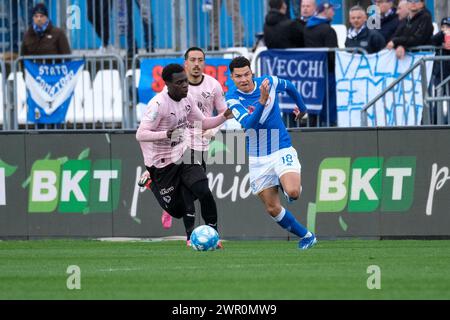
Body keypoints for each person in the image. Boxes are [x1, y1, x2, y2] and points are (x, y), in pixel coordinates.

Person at [225, 56, 317, 250]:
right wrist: (262, 101)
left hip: (280, 147)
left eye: (247, 74)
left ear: (252, 73)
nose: (244, 79)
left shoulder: (268, 82)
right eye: (238, 76)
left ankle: (287, 186)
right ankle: (307, 236)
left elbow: (290, 86)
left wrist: (302, 108)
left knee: (293, 192)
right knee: (272, 208)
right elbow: (249, 125)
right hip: (258, 157)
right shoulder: (232, 98)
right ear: (232, 78)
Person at [136, 63, 232, 247]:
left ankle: (214, 235)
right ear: (168, 84)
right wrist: (166, 134)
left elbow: (203, 123)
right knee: (178, 210)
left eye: (186, 81)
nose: (185, 86)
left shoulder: (187, 100)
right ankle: (150, 182)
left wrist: (224, 116)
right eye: (180, 83)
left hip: (183, 154)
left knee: (203, 190)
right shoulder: (158, 105)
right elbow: (140, 134)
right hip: (161, 164)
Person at [303, 1, 339, 127]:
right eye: (333, 10)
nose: (334, 12)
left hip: (312, 74)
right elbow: (332, 56)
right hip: (327, 73)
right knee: (328, 106)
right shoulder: (328, 30)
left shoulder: (307, 28)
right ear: (326, 10)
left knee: (314, 105)